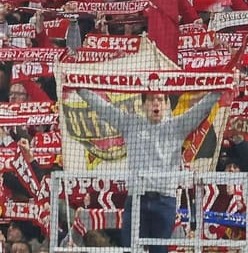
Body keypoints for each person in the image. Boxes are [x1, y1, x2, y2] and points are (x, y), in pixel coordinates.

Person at [72, 88, 220, 252]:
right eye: (150, 99)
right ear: (143, 105)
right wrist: (79, 89)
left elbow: (201, 108)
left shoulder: (178, 126)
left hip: (165, 201)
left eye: (159, 99)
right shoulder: (130, 124)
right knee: (132, 249)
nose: (155, 103)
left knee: (159, 250)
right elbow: (104, 109)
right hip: (136, 200)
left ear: (166, 104)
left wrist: (221, 90)